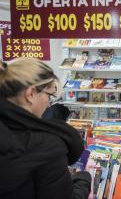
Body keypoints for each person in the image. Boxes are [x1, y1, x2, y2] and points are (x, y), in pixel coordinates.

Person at [0, 58, 91, 199]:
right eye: (49, 95)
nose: (49, 104)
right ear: (31, 94)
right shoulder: (45, 146)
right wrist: (83, 181)